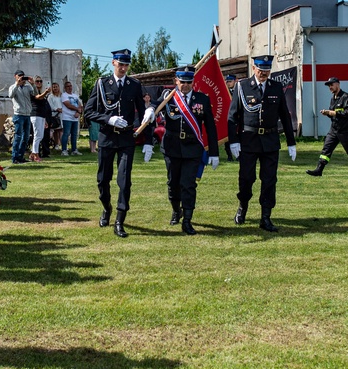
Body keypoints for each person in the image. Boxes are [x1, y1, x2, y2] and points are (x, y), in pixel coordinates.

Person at [84, 49, 153, 237]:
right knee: (103, 180)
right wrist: (108, 119)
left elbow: (144, 111)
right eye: (120, 64)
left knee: (124, 181)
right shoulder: (101, 84)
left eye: (126, 65)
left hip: (126, 139)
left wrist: (148, 136)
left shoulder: (134, 85)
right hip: (107, 137)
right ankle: (106, 208)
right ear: (113, 63)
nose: (123, 68)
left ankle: (120, 221)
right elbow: (88, 112)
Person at [227, 55, 297, 232]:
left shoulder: (276, 87)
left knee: (269, 180)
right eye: (261, 69)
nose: (264, 73)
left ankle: (265, 216)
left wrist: (291, 142)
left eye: (267, 70)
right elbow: (232, 117)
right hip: (249, 141)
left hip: (270, 141)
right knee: (246, 178)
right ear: (254, 68)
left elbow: (285, 116)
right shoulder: (242, 87)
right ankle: (243, 206)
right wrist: (234, 141)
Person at [159, 66, 219, 235]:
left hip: (192, 148)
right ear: (176, 81)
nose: (185, 85)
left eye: (188, 82)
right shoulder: (169, 98)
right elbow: (155, 107)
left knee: (188, 185)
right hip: (172, 147)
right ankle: (176, 209)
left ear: (193, 82)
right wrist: (150, 110)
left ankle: (187, 220)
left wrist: (214, 152)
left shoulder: (202, 99)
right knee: (173, 183)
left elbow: (210, 127)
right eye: (182, 82)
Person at [307, 77, 348, 178]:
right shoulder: (333, 99)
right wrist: (327, 113)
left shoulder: (346, 97)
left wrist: (333, 113)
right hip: (334, 129)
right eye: (329, 85)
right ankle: (319, 170)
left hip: (344, 130)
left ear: (338, 84)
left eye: (331, 84)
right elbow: (332, 113)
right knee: (326, 149)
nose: (330, 87)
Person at [8, 70, 33, 164]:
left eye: (23, 76)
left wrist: (32, 83)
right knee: (18, 136)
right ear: (15, 76)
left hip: (27, 114)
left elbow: (34, 94)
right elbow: (11, 95)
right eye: (20, 76)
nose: (22, 78)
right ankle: (14, 157)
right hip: (19, 114)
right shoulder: (12, 87)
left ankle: (20, 156)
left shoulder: (27, 87)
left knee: (26, 137)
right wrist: (17, 84)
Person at [29, 76, 52, 162]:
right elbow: (38, 97)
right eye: (37, 81)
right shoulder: (32, 91)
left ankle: (32, 154)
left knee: (40, 136)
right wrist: (46, 92)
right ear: (34, 83)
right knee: (37, 135)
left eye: (40, 81)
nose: (39, 83)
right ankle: (35, 154)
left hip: (41, 116)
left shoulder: (40, 92)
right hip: (35, 115)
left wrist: (45, 119)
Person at [60, 81, 82, 155]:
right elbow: (68, 105)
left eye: (70, 86)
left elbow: (80, 105)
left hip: (75, 118)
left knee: (74, 134)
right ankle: (64, 150)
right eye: (68, 86)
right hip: (67, 117)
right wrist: (77, 109)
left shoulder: (75, 96)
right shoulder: (64, 95)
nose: (70, 87)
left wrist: (78, 112)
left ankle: (74, 150)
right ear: (65, 88)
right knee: (66, 133)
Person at [224, 74, 237, 161]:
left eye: (230, 81)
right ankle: (229, 155)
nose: (228, 83)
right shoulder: (224, 92)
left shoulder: (238, 91)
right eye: (227, 81)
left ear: (235, 81)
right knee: (227, 138)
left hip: (237, 117)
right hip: (228, 117)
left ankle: (238, 155)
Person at [48, 82, 63, 151]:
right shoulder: (50, 96)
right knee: (56, 130)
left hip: (62, 114)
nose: (55, 88)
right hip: (55, 115)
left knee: (62, 130)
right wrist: (56, 109)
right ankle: (56, 144)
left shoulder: (62, 96)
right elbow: (50, 105)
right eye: (54, 87)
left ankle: (62, 144)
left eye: (56, 86)